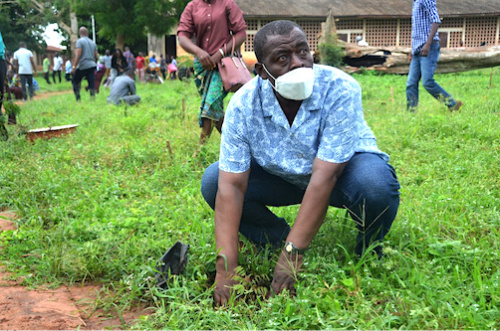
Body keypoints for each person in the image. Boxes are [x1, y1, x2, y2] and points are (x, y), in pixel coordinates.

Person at [200, 20, 401, 306]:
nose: (298, 64)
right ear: (262, 72)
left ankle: (368, 250)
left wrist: (292, 256)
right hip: (283, 176)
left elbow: (325, 177)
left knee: (375, 186)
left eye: (302, 52)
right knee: (213, 181)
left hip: (340, 174)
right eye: (282, 58)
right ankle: (276, 239)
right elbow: (230, 187)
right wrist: (225, 269)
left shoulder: (340, 89)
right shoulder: (244, 106)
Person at [177, 0, 247, 150]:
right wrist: (198, 52)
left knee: (210, 106)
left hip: (223, 65)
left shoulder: (227, 4)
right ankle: (238, 145)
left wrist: (219, 53)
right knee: (215, 113)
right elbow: (182, 36)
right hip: (202, 67)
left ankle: (200, 151)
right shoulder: (192, 7)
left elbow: (241, 34)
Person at [406, 0, 462, 112]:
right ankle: (411, 112)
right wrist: (412, 50)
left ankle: (453, 104)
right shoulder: (415, 2)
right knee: (411, 83)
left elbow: (436, 20)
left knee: (427, 82)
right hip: (417, 49)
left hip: (428, 47)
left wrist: (428, 43)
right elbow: (417, 29)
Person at [71, 26, 98, 101]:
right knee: (91, 83)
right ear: (87, 34)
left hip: (83, 65)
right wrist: (94, 63)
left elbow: (78, 54)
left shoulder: (80, 41)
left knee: (75, 81)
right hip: (92, 65)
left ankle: (78, 99)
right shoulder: (93, 43)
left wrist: (74, 67)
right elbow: (96, 56)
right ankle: (92, 98)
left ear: (80, 33)